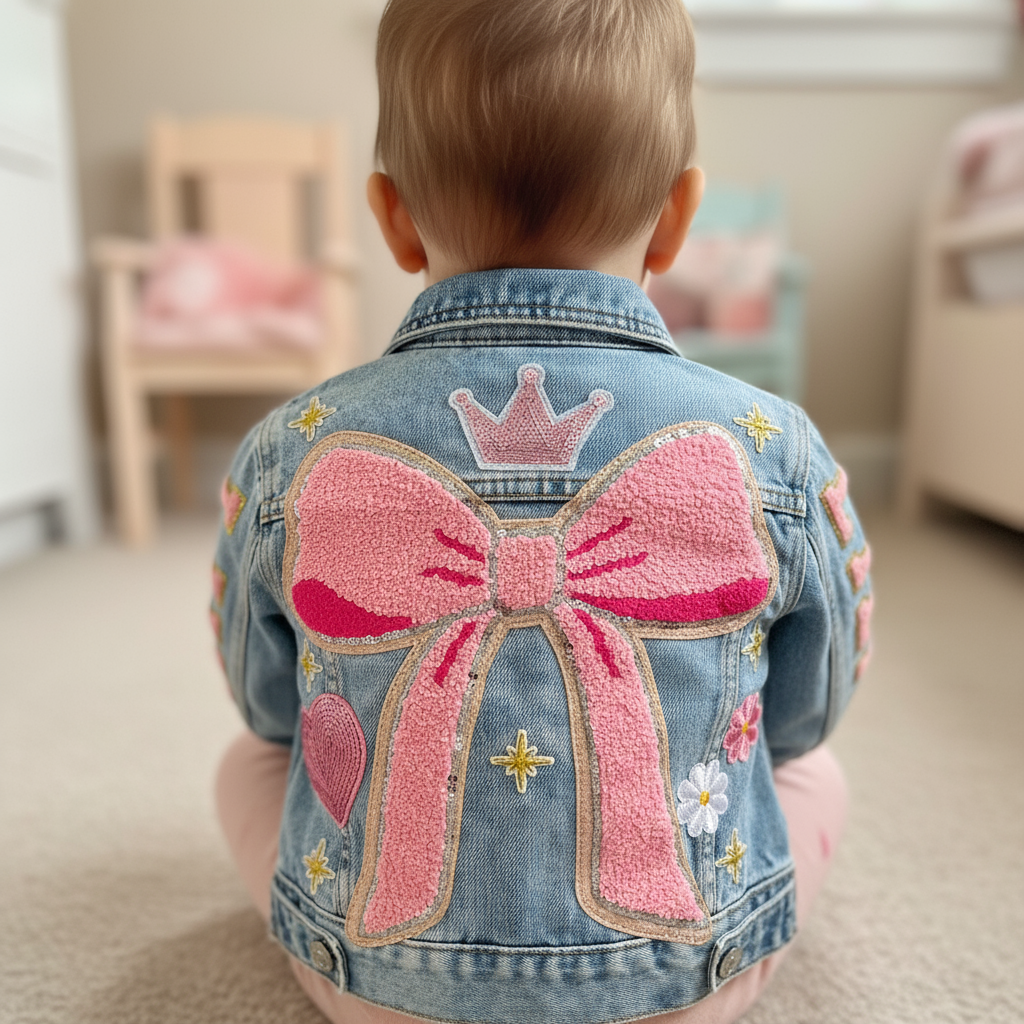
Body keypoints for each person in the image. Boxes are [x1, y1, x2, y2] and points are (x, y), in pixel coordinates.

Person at [212, 1, 870, 1021]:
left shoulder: (296, 447)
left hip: (376, 987)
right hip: (685, 983)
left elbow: (264, 703)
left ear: (389, 214)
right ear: (678, 215)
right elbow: (804, 712)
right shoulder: (767, 448)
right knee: (818, 773)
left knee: (247, 762)